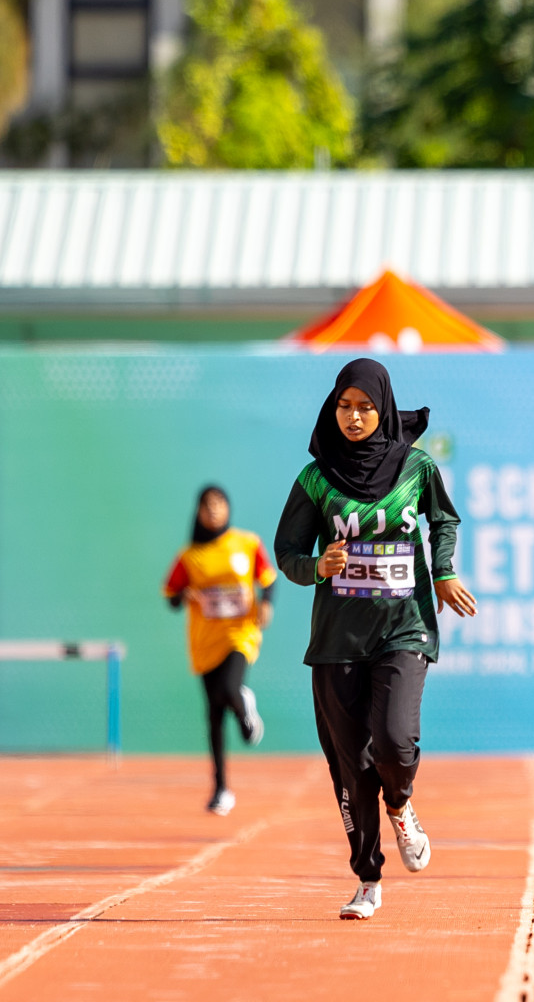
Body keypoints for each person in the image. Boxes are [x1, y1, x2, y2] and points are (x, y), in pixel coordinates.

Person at [274, 359, 477, 921]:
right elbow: (286, 552)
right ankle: (367, 880)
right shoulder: (315, 480)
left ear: (384, 408)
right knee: (351, 764)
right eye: (345, 406)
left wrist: (443, 570)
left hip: (402, 627)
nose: (355, 417)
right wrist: (317, 566)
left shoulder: (416, 467)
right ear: (332, 409)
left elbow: (445, 521)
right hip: (338, 639)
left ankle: (403, 803)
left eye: (366, 407)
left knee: (392, 742)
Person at [163, 486, 274, 816]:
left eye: (219, 504)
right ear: (198, 512)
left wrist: (267, 604)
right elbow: (171, 594)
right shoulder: (190, 556)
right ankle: (221, 788)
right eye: (207, 506)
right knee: (213, 715)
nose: (213, 510)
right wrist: (185, 597)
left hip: (239, 634)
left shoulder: (246, 543)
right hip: (205, 640)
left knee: (229, 688)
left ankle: (244, 709)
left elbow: (267, 579)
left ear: (228, 508)